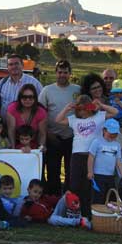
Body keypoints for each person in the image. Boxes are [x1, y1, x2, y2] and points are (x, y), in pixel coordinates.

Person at [56, 95, 118, 216]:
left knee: (89, 185)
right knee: (74, 184)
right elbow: (58, 120)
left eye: (86, 108)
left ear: (90, 108)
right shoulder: (74, 119)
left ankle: (87, 213)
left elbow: (115, 112)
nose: (83, 111)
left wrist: (101, 105)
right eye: (80, 108)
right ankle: (73, 210)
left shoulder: (99, 116)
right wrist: (67, 108)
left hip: (93, 156)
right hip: (77, 155)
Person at [38, 60, 81, 195]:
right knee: (53, 172)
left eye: (65, 72)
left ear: (70, 74)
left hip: (72, 138)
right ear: (55, 73)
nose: (62, 75)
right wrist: (47, 133)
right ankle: (54, 199)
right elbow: (40, 114)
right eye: (60, 72)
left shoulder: (77, 90)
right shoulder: (47, 90)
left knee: (71, 172)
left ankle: (69, 201)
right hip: (53, 137)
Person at [87, 118, 122, 205]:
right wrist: (90, 171)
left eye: (115, 134)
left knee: (110, 197)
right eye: (111, 133)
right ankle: (96, 216)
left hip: (110, 176)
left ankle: (108, 216)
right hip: (98, 175)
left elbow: (118, 160)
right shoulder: (97, 142)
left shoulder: (117, 145)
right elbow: (91, 157)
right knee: (98, 197)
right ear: (104, 130)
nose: (113, 136)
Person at [6, 84, 48, 149]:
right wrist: (13, 149)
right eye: (24, 97)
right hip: (17, 144)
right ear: (20, 98)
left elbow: (42, 133)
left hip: (34, 146)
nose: (27, 100)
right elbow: (11, 131)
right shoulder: (12, 108)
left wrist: (41, 147)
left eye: (31, 97)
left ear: (35, 98)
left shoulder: (41, 112)